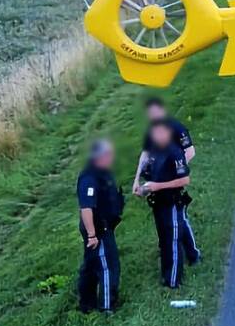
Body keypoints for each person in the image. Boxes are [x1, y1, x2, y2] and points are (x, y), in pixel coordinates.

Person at [135, 97, 200, 264]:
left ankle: (193, 254)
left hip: (172, 182)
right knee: (164, 218)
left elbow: (190, 151)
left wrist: (173, 171)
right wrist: (137, 179)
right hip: (157, 183)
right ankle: (167, 247)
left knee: (180, 219)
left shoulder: (176, 127)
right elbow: (146, 153)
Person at [139, 119, 192, 289]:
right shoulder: (154, 151)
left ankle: (174, 280)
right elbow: (148, 170)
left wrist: (158, 186)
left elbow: (185, 179)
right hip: (157, 202)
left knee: (174, 239)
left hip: (171, 201)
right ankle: (165, 274)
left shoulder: (175, 152)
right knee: (164, 240)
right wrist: (143, 187)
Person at [76, 139, 124, 313]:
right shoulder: (89, 177)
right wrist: (92, 235)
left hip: (104, 226)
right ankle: (107, 306)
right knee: (107, 267)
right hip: (97, 230)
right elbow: (86, 207)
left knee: (91, 264)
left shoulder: (102, 172)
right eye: (108, 154)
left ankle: (86, 303)